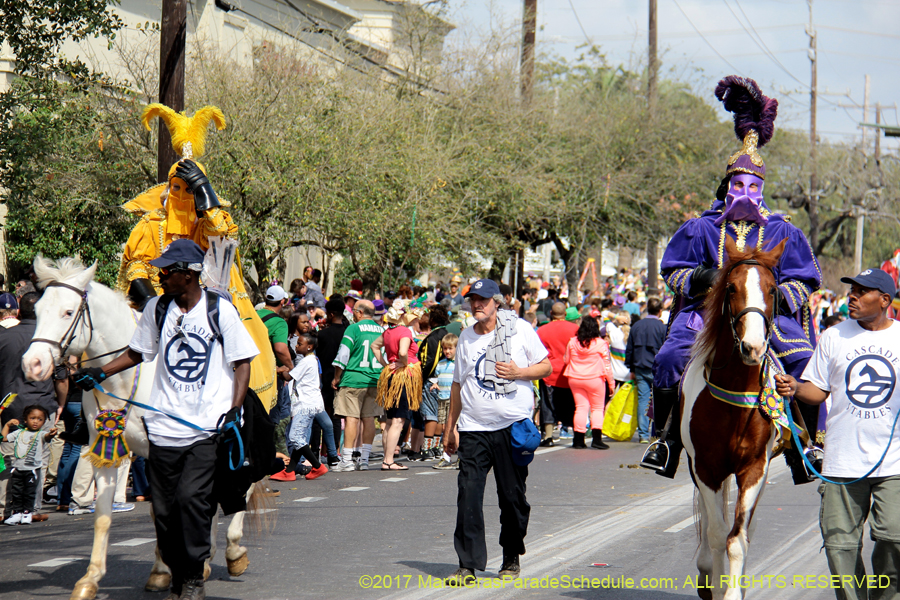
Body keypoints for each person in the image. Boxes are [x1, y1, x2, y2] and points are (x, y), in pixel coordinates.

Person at [644, 77, 822, 483]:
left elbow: (806, 279)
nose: (744, 191)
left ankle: (807, 444)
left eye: (752, 186)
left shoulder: (784, 232)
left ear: (762, 190)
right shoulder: (700, 228)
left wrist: (775, 297)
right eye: (737, 184)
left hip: (767, 316)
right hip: (704, 317)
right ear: (727, 188)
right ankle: (666, 440)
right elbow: (672, 271)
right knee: (671, 359)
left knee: (803, 363)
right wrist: (704, 278)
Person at [73, 239, 258, 600]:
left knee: (192, 501)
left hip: (205, 428)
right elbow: (136, 352)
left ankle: (192, 578)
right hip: (160, 430)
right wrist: (99, 373)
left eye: (167, 271)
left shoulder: (220, 311)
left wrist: (234, 410)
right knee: (165, 512)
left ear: (188, 275)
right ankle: (176, 574)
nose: (159, 276)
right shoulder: (157, 308)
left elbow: (243, 362)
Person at [116, 103, 276, 410]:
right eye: (178, 188)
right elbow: (136, 264)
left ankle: (240, 411)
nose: (182, 196)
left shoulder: (209, 223)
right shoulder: (151, 224)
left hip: (209, 301)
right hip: (158, 305)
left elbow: (225, 244)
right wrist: (152, 302)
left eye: (191, 189)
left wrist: (207, 199)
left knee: (242, 342)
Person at [775, 268, 900, 600]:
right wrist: (796, 387)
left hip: (894, 464)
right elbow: (818, 390)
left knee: (893, 538)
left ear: (884, 300)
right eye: (852, 290)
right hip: (842, 462)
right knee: (840, 547)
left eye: (862, 291)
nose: (852, 296)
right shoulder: (833, 336)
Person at [444, 279, 551, 585]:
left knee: (512, 498)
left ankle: (511, 556)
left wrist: (520, 372)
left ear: (498, 302)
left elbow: (545, 367)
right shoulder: (465, 336)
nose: (477, 305)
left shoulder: (520, 330)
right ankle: (467, 564)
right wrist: (450, 428)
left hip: (512, 428)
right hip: (474, 429)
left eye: (483, 300)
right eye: (473, 300)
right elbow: (457, 385)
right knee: (468, 495)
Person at [0, 292, 63, 523]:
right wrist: (61, 404)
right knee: (39, 459)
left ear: (18, 312)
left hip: (11, 405)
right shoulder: (50, 340)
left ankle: (5, 509)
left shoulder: (4, 336)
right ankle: (31, 508)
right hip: (42, 405)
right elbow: (62, 376)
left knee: (9, 457)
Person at [332, 300, 382, 472]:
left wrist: (337, 377)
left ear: (360, 312)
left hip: (353, 379)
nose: (352, 314)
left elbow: (343, 354)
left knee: (351, 418)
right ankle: (365, 459)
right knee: (369, 418)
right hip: (375, 380)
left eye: (354, 311)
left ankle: (346, 460)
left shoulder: (353, 328)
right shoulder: (381, 330)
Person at [372, 303, 422, 470]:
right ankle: (388, 460)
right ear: (401, 317)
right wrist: (403, 363)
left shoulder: (387, 332)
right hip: (403, 377)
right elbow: (402, 352)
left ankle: (387, 459)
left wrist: (386, 363)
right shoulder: (404, 332)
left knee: (390, 419)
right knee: (398, 421)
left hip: (392, 378)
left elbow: (374, 346)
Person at [278, 332, 333, 480]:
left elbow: (289, 377)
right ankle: (289, 471)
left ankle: (317, 466)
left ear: (309, 346)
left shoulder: (307, 361)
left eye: (300, 344)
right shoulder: (310, 360)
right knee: (300, 438)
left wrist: (278, 370)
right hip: (309, 404)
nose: (296, 345)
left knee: (295, 437)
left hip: (306, 405)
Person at [563, 316, 615, 449]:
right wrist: (611, 383)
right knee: (597, 408)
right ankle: (597, 439)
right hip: (595, 379)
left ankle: (578, 440)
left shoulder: (572, 342)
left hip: (575, 378)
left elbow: (566, 360)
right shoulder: (600, 343)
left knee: (581, 408)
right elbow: (607, 365)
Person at [2, 406, 57, 525]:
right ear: (25, 420)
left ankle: (27, 512)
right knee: (16, 491)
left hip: (32, 469)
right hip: (17, 468)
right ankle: (17, 513)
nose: (36, 421)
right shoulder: (19, 433)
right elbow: (4, 438)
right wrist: (7, 425)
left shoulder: (41, 434)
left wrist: (52, 433)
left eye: (40, 419)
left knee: (30, 492)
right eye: (32, 418)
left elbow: (47, 437)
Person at [310, 299, 348, 464]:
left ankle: (314, 452)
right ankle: (334, 453)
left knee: (319, 415)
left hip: (323, 378)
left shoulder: (322, 334)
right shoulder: (348, 333)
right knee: (336, 416)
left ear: (331, 314)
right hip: (342, 379)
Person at [536, 302, 578, 446]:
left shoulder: (542, 330)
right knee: (573, 404)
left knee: (547, 405)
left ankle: (548, 436)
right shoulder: (575, 329)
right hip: (570, 372)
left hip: (549, 372)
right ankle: (577, 436)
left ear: (551, 314)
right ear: (565, 314)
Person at [626, 298, 667, 444]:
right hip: (657, 368)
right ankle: (656, 433)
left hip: (640, 366)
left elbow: (629, 348)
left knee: (643, 400)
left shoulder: (637, 325)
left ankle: (643, 434)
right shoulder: (662, 327)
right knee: (658, 401)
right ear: (660, 311)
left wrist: (630, 368)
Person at [432, 333, 459, 470]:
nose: (447, 351)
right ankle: (448, 455)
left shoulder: (458, 364)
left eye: (450, 349)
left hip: (453, 399)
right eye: (445, 349)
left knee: (453, 427)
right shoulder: (441, 364)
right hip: (442, 398)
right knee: (443, 427)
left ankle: (454, 456)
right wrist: (435, 384)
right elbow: (437, 378)